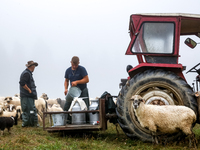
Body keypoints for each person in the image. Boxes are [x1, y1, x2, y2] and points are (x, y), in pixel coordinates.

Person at [64, 56, 89, 123]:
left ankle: (87, 121)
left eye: (76, 65)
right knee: (67, 105)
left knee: (85, 106)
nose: (74, 66)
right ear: (71, 62)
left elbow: (87, 79)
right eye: (73, 65)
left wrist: (77, 82)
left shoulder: (82, 69)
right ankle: (67, 121)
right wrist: (66, 89)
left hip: (83, 90)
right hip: (73, 91)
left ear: (79, 63)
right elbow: (66, 80)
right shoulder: (68, 70)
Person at [19, 60, 39, 127]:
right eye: (34, 66)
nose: (34, 68)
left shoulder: (28, 73)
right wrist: (29, 90)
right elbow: (22, 83)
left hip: (28, 96)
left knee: (30, 110)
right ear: (32, 66)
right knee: (29, 110)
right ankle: (27, 124)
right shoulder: (26, 74)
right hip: (26, 96)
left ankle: (31, 124)